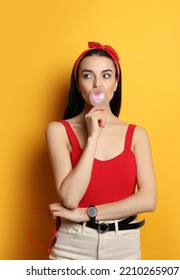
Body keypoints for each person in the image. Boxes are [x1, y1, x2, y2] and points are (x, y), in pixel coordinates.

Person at [45, 42, 157, 260]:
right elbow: (69, 198)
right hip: (72, 245)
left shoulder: (137, 135)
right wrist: (92, 137)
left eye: (106, 76)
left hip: (124, 246)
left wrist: (85, 213)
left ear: (116, 83)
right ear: (78, 84)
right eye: (87, 76)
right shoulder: (58, 131)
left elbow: (148, 200)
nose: (97, 84)